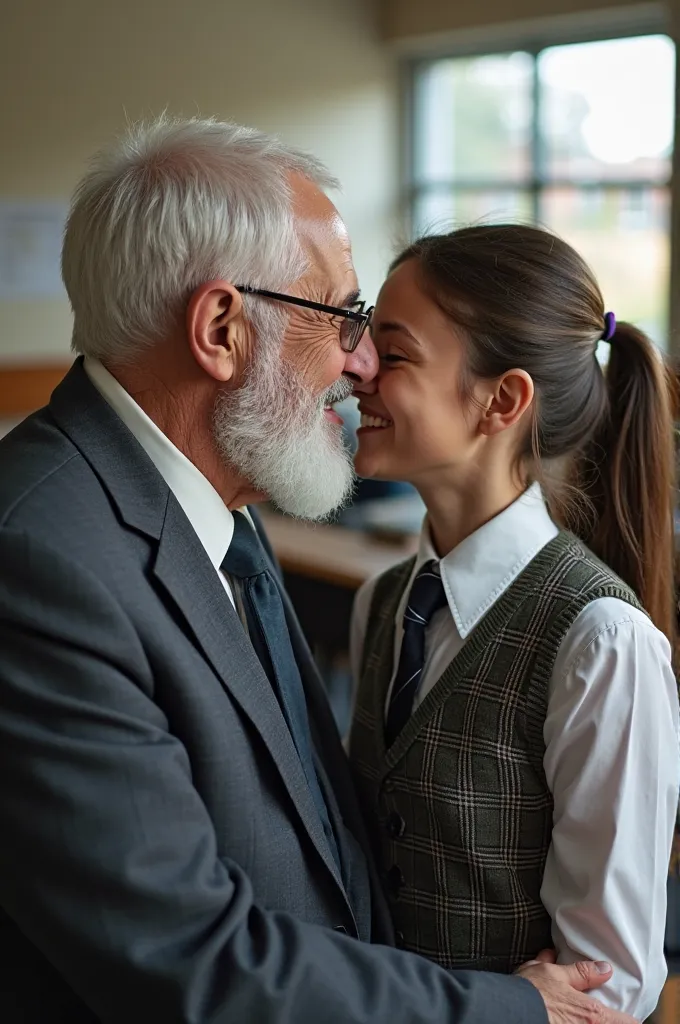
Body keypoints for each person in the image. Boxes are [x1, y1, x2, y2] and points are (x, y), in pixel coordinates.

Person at [0, 118, 632, 1024]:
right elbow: (187, 960)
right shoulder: (40, 559)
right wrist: (508, 1009)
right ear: (222, 328)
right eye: (341, 315)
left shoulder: (223, 500)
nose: (363, 361)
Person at [349, 224, 680, 1022]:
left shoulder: (602, 640)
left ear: (502, 399)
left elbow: (611, 987)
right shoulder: (382, 602)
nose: (354, 367)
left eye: (392, 354)